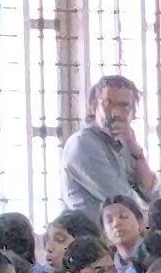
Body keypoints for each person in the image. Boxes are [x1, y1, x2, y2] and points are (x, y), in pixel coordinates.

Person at [63, 76, 156, 216]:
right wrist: (156, 219)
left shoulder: (124, 143)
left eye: (124, 105)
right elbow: (120, 198)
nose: (116, 112)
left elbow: (151, 191)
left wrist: (135, 149)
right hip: (92, 234)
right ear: (93, 105)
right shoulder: (83, 143)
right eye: (108, 104)